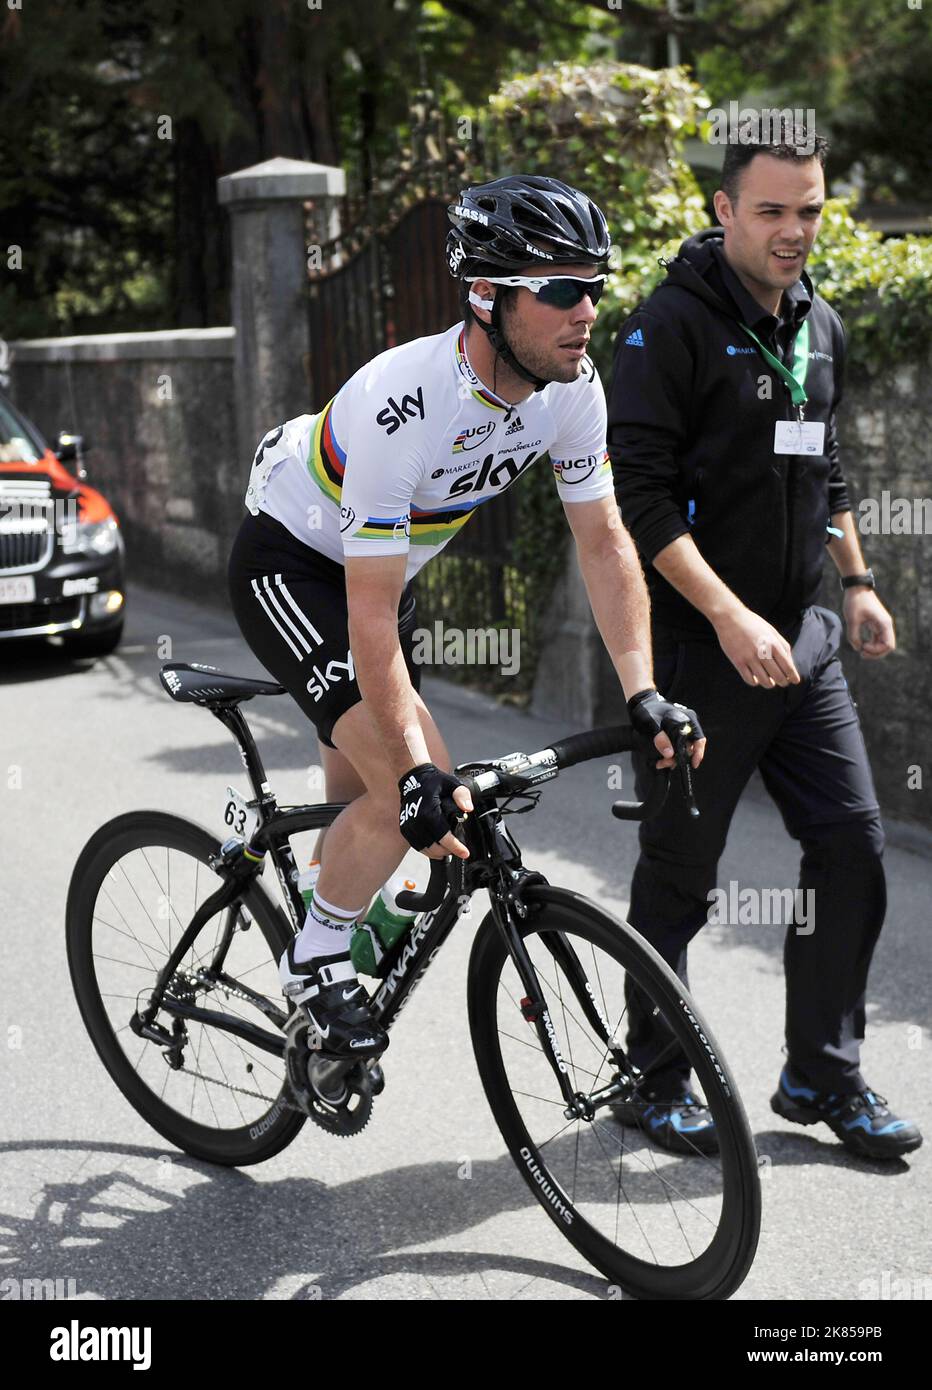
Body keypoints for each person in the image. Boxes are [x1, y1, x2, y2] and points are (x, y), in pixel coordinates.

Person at [226, 175, 705, 1060]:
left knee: (416, 819)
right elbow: (365, 608)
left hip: (378, 581)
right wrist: (407, 771)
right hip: (296, 567)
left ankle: (346, 924)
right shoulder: (401, 402)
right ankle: (313, 960)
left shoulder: (571, 389)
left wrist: (644, 692)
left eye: (593, 287)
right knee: (412, 793)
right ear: (486, 297)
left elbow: (603, 544)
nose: (586, 310)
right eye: (560, 289)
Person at [607, 125, 921, 1159]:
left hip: (805, 644)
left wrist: (858, 582)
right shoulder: (667, 329)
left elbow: (822, 466)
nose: (794, 232)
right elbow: (639, 499)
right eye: (772, 211)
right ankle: (650, 1081)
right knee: (678, 875)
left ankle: (818, 1074)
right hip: (703, 657)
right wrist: (728, 617)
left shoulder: (816, 322)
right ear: (723, 211)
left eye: (811, 210)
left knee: (850, 846)